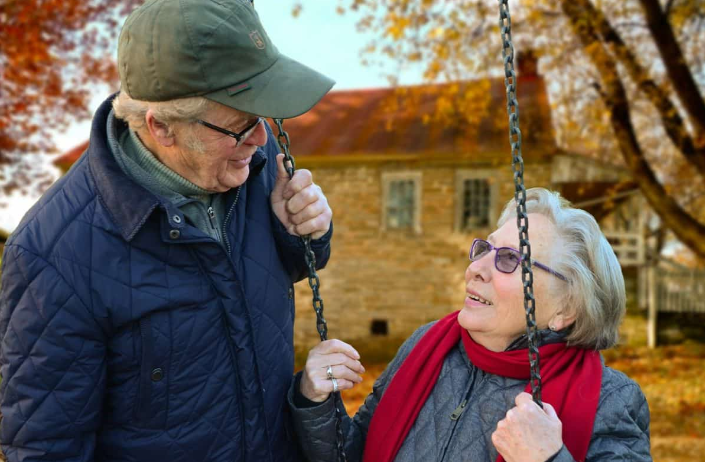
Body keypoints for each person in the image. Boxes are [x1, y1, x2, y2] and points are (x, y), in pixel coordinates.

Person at [0, 0, 335, 460]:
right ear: (161, 128)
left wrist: (304, 232)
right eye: (240, 127)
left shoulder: (250, 160)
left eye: (263, 118)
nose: (260, 138)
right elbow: (45, 447)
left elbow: (283, 270)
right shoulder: (53, 255)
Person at [290, 188, 652, 462]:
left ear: (566, 308)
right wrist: (317, 400)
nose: (477, 268)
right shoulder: (426, 347)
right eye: (485, 249)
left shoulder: (611, 399)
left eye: (510, 259)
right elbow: (355, 453)